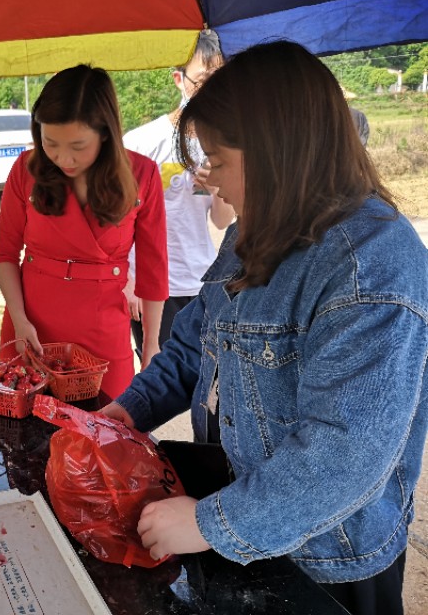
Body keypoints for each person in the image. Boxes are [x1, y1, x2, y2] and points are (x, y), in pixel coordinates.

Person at [101, 41, 428, 615]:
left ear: (279, 152)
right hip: (246, 513)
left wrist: (209, 523)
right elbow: (194, 347)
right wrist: (129, 412)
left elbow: (345, 453)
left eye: (218, 159)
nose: (209, 179)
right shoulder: (253, 229)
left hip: (328, 556)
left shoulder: (370, 265)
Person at [0, 65, 167, 397]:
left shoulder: (141, 174)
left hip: (103, 330)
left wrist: (151, 346)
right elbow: (4, 253)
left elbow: (154, 269)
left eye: (78, 145)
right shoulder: (27, 169)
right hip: (30, 324)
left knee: (105, 422)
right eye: (50, 143)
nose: (64, 158)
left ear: (105, 133)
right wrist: (19, 319)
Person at [123, 29, 234, 354]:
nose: (211, 91)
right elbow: (118, 220)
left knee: (203, 371)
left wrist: (216, 187)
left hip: (201, 279)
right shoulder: (141, 142)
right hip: (151, 284)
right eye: (202, 80)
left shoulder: (222, 142)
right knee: (158, 371)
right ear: (178, 80)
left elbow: (222, 220)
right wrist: (127, 281)